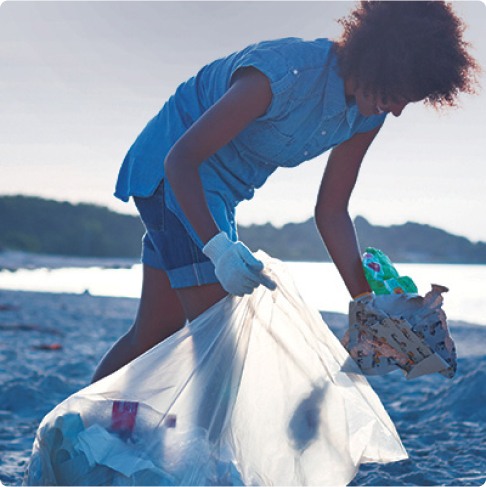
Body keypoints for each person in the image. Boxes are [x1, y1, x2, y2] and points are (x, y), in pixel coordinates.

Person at [92, 1, 478, 383]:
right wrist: (218, 249)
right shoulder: (283, 73)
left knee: (156, 331)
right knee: (220, 342)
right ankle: (199, 442)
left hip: (221, 195)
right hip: (172, 172)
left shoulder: (368, 115)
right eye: (399, 95)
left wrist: (365, 302)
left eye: (408, 103)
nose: (396, 111)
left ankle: (73, 425)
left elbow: (331, 211)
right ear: (382, 60)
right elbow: (180, 160)